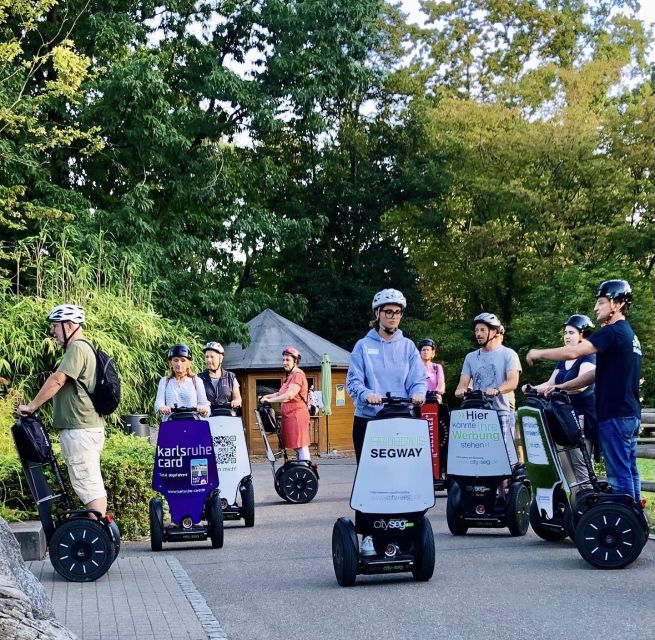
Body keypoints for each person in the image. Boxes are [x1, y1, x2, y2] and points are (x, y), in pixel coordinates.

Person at [527, 280, 642, 502]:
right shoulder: (629, 334)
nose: (595, 308)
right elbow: (594, 374)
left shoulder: (613, 332)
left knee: (619, 476)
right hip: (629, 413)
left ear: (616, 304)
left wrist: (539, 353)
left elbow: (574, 353)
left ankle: (624, 522)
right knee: (630, 470)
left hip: (615, 414)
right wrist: (560, 386)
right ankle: (636, 518)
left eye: (600, 302)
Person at [346, 288, 426, 555]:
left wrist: (418, 393)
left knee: (404, 476)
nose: (393, 317)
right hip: (370, 421)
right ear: (377, 314)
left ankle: (408, 531)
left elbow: (418, 379)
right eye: (388, 312)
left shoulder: (408, 347)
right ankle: (368, 534)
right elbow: (353, 381)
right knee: (371, 478)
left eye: (397, 312)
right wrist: (367, 394)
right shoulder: (363, 346)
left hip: (402, 420)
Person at [17, 304, 108, 516]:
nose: (52, 332)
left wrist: (31, 406)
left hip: (79, 430)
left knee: (88, 485)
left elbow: (57, 380)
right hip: (85, 427)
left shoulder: (77, 348)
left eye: (55, 326)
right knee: (88, 481)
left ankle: (98, 534)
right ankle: (100, 532)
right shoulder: (84, 347)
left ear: (69, 326)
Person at [523, 314, 598, 460]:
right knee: (564, 464)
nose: (567, 336)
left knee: (580, 464)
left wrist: (558, 388)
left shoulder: (589, 356)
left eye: (571, 333)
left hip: (581, 417)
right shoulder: (563, 360)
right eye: (565, 333)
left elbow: (581, 386)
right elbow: (550, 384)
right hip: (561, 416)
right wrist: (532, 388)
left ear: (582, 335)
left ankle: (586, 485)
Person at [454, 312, 521, 465]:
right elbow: (462, 384)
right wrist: (460, 391)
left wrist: (497, 390)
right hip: (479, 413)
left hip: (501, 410)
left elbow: (513, 382)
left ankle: (503, 488)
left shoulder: (508, 354)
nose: (478, 334)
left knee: (502, 456)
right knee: (479, 455)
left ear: (494, 331)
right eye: (476, 330)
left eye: (482, 330)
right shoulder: (471, 357)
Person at [260, 347, 312, 462]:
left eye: (287, 360)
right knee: (296, 446)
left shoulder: (298, 375)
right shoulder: (290, 377)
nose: (284, 363)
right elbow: (280, 393)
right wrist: (267, 396)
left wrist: (270, 401)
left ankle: (305, 469)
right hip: (290, 416)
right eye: (283, 360)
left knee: (301, 445)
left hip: (297, 415)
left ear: (295, 361)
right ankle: (300, 468)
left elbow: (289, 395)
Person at [155, 344, 210, 420]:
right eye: (175, 360)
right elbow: (158, 403)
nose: (179, 364)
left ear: (189, 363)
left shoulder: (196, 381)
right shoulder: (164, 381)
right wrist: (162, 407)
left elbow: (205, 405)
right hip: (171, 423)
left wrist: (203, 409)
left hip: (192, 423)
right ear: (170, 363)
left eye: (183, 360)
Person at [198, 341, 242, 415]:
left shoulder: (230, 377)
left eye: (212, 357)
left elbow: (237, 398)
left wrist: (236, 401)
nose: (208, 360)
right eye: (206, 357)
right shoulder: (199, 378)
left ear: (220, 359)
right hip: (207, 418)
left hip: (227, 417)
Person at [418, 338, 445, 402]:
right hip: (419, 398)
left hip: (434, 397)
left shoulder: (437, 367)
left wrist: (440, 389)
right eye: (423, 350)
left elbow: (441, 382)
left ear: (432, 352)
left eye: (428, 350)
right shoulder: (415, 367)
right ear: (420, 352)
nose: (425, 352)